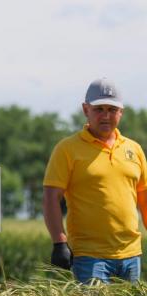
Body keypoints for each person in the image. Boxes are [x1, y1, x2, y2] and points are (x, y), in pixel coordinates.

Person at [43, 77, 147, 284]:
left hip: (131, 255)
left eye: (112, 109)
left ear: (121, 112)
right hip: (89, 258)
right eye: (99, 109)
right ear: (85, 109)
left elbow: (144, 198)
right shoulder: (67, 149)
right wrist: (59, 243)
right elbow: (50, 198)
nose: (106, 116)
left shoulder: (133, 149)